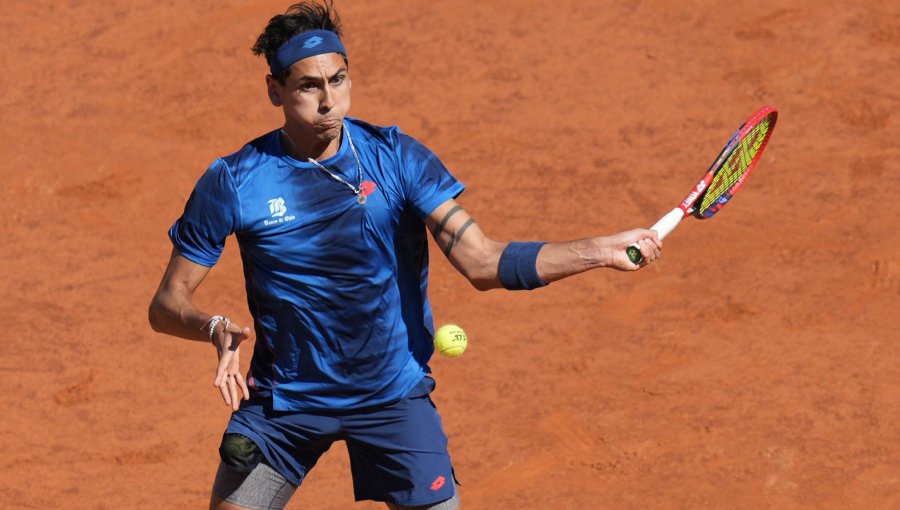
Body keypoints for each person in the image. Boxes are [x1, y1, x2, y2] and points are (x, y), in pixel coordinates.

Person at [148, 2, 661, 509]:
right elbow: (168, 302)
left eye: (339, 79)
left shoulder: (396, 158)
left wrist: (601, 250)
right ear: (274, 91)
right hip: (287, 402)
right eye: (309, 86)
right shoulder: (236, 181)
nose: (329, 101)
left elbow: (484, 262)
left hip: (390, 395)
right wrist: (212, 326)